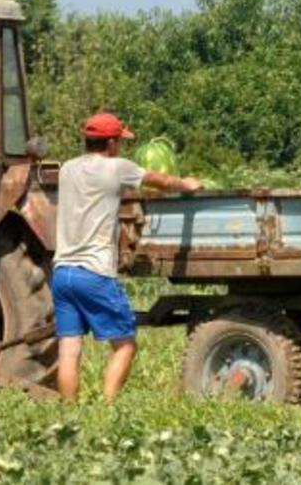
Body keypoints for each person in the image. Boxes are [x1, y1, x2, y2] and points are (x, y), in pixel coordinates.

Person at [52, 112, 202, 402]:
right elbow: (159, 180)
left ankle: (69, 412)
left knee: (69, 349)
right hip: (93, 273)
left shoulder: (67, 169)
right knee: (125, 345)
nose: (121, 146)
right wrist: (187, 184)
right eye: (119, 141)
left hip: (62, 272)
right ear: (110, 143)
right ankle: (108, 408)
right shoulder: (117, 168)